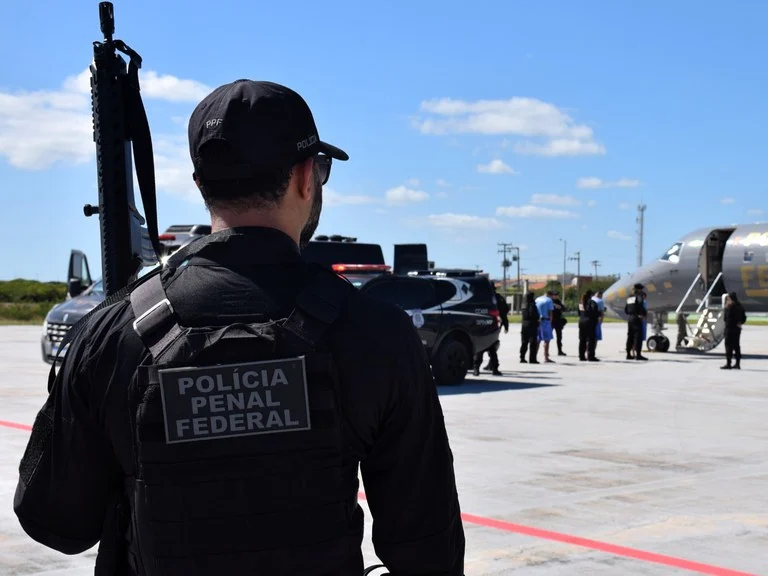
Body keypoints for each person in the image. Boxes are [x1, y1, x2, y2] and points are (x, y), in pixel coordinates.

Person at [14, 80, 465, 576]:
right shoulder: (378, 335)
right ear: (304, 178)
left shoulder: (114, 332)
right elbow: (428, 550)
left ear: (201, 182)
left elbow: (54, 520)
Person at [479, 290, 509, 375]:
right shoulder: (497, 297)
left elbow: (503, 310)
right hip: (493, 324)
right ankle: (491, 365)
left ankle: (478, 367)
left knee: (484, 346)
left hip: (484, 324)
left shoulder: (485, 296)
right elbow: (505, 311)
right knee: (492, 346)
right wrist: (506, 325)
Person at [722, 291, 747, 370]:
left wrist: (726, 308)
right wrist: (739, 323)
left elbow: (726, 319)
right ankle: (737, 363)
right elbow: (744, 318)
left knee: (728, 346)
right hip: (737, 329)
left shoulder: (729, 307)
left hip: (730, 329)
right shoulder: (740, 306)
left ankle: (728, 363)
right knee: (736, 346)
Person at [625, 283, 648, 361]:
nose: (642, 291)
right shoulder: (639, 297)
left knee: (630, 336)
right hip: (637, 318)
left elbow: (626, 309)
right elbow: (641, 307)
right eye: (641, 289)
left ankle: (628, 354)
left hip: (630, 318)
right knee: (638, 337)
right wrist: (642, 314)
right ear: (638, 289)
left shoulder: (629, 297)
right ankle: (638, 355)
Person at [578, 290, 600, 361]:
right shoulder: (592, 302)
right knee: (591, 340)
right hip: (590, 322)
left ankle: (581, 356)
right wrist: (599, 314)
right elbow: (594, 312)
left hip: (581, 321)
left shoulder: (580, 302)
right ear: (591, 295)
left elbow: (579, 313)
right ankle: (590, 356)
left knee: (582, 340)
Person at [535, 290, 556, 363]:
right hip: (546, 321)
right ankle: (546, 357)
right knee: (547, 340)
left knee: (538, 340)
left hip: (538, 321)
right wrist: (550, 321)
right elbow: (550, 312)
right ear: (550, 295)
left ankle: (534, 356)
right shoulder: (549, 300)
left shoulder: (537, 299)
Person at [520, 291, 540, 363]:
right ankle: (532, 359)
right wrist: (537, 319)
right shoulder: (532, 304)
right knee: (533, 342)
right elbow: (533, 314)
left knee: (524, 342)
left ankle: (522, 357)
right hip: (532, 324)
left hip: (524, 324)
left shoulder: (524, 305)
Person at [551, 291, 568, 356]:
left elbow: (565, 309)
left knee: (559, 337)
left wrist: (560, 307)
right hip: (552, 321)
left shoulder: (558, 301)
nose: (556, 296)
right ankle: (546, 352)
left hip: (558, 321)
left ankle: (560, 351)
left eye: (557, 295)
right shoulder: (550, 302)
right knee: (548, 337)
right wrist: (554, 306)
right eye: (554, 295)